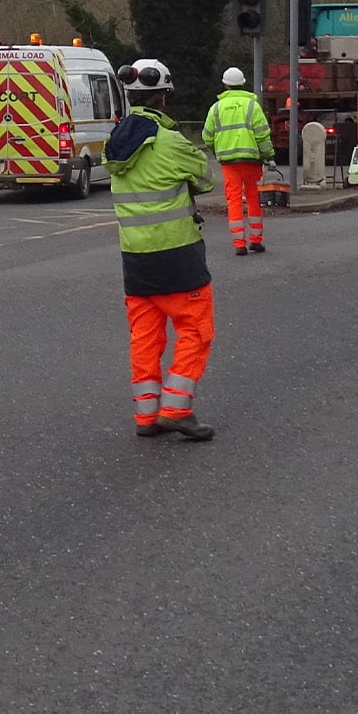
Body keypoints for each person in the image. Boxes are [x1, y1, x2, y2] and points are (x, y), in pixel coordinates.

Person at [104, 58, 217, 441]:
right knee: (196, 331)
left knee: (145, 338)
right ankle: (177, 408)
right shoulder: (172, 142)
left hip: (135, 260)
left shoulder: (115, 142)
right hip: (178, 256)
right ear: (163, 98)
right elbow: (206, 181)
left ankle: (147, 415)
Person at [202, 67, 276, 255]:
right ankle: (256, 240)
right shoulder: (252, 106)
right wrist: (269, 156)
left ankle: (238, 243)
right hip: (252, 161)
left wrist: (217, 149)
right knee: (253, 198)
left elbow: (207, 136)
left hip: (228, 162)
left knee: (233, 200)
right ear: (243, 83)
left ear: (225, 84)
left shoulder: (216, 108)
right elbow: (262, 135)